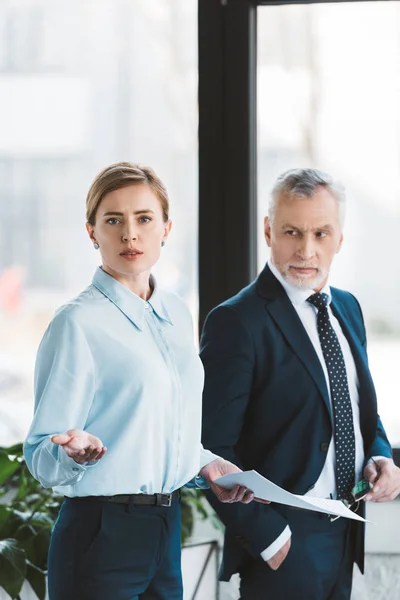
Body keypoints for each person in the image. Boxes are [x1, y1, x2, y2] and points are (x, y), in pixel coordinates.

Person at [24, 162, 255, 600]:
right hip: (100, 533)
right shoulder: (77, 323)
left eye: (144, 219)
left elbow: (160, 426)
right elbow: (40, 454)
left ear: (166, 228)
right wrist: (75, 454)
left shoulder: (175, 315)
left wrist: (204, 463)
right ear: (92, 232)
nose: (130, 234)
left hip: (165, 529)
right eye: (113, 220)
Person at [200, 168, 400, 600]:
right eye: (292, 231)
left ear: (340, 239)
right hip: (283, 542)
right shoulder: (236, 321)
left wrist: (381, 456)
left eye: (321, 233)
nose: (306, 250)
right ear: (269, 230)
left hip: (345, 528)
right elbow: (212, 448)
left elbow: (355, 406)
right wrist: (269, 538)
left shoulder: (348, 308)